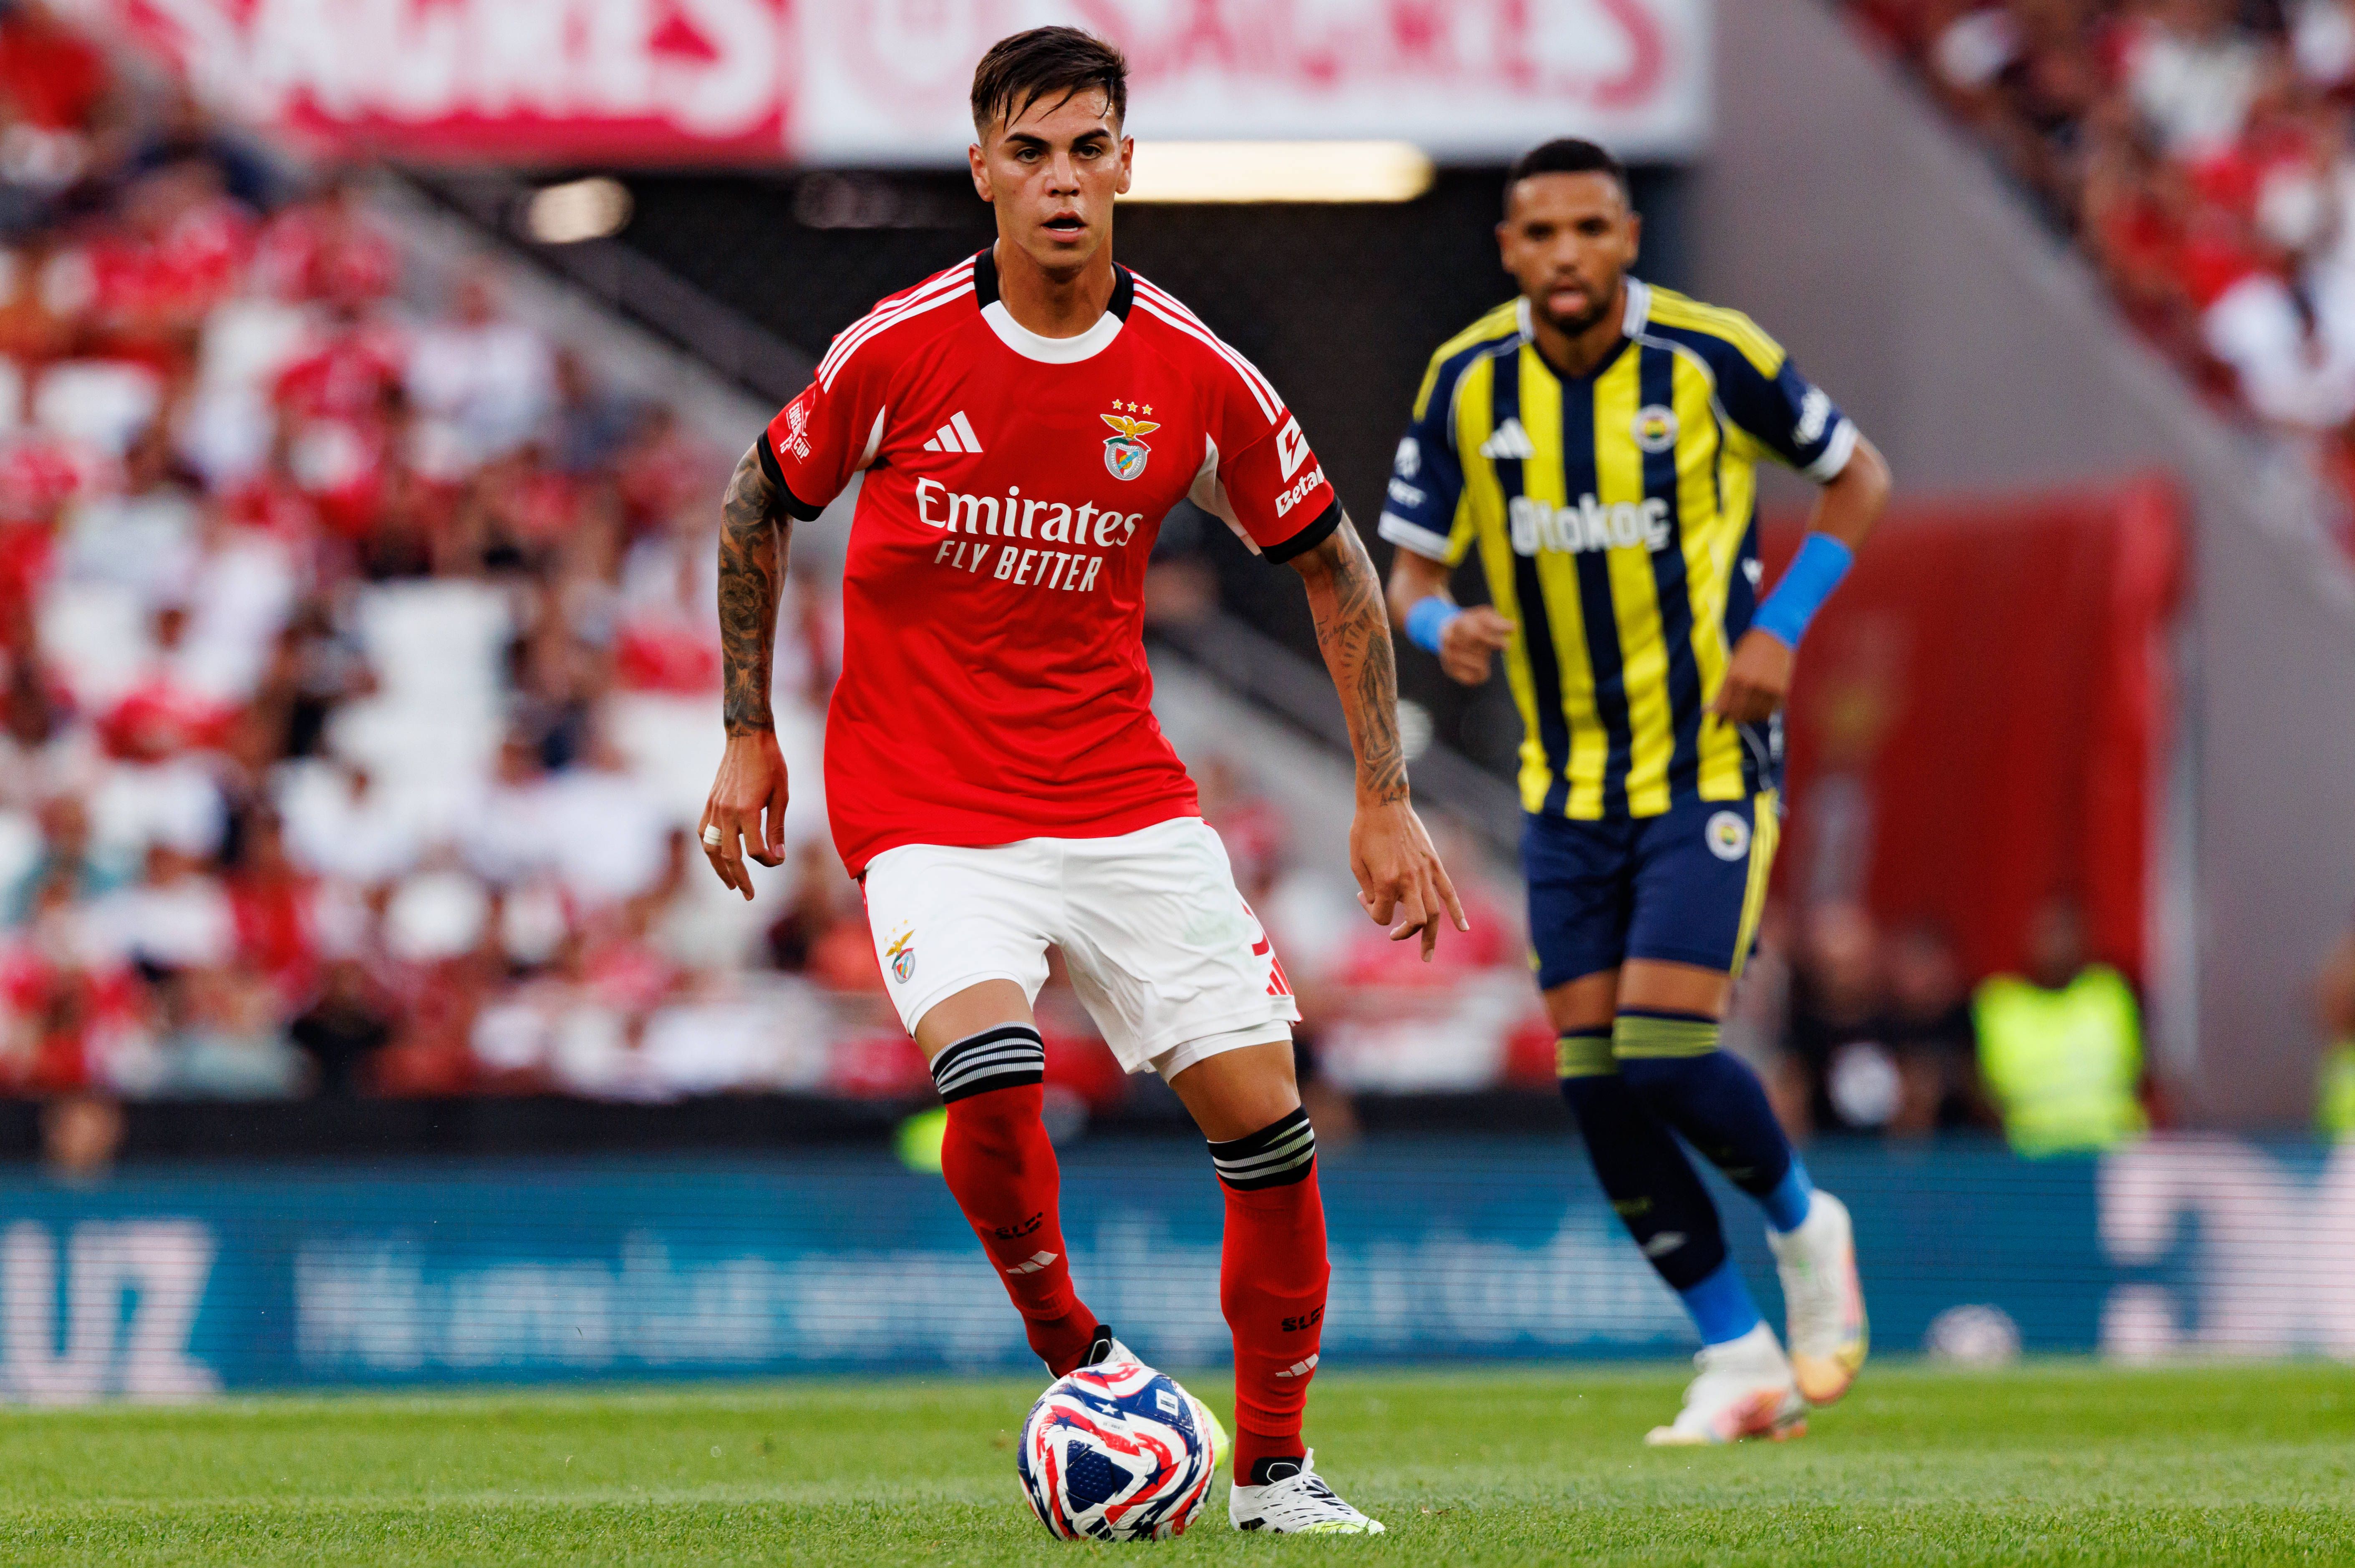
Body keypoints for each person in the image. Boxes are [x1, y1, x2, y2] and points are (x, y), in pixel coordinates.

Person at [697, 28, 1462, 1535]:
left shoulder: (1193, 372)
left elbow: (1334, 563)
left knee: (1269, 1125)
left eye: (1088, 149)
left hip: (1123, 796)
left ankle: (1276, 1474)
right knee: (991, 1078)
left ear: (1126, 165)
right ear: (983, 169)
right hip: (929, 802)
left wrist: (1383, 795)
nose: (1061, 179)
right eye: (1031, 151)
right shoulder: (897, 349)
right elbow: (755, 499)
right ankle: (1087, 1361)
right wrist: (747, 726)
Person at [1379, 139, 1890, 1445]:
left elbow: (1857, 475)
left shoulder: (1711, 357)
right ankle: (1738, 1355)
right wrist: (1440, 629)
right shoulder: (1465, 380)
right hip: (1564, 785)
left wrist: (1779, 627)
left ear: (1627, 238)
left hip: (1704, 760)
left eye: (1589, 228)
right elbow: (1408, 577)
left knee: (1663, 1047)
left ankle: (1805, 1225)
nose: (1565, 253)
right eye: (1540, 232)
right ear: (1509, 248)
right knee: (1598, 1082)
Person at [1973, 898, 2149, 1156]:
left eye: (2067, 932)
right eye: (2050, 932)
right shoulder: (1998, 1004)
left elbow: (2146, 1076)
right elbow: (1983, 1094)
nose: (2058, 944)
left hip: (2114, 1156)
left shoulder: (2113, 992)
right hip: (2029, 1159)